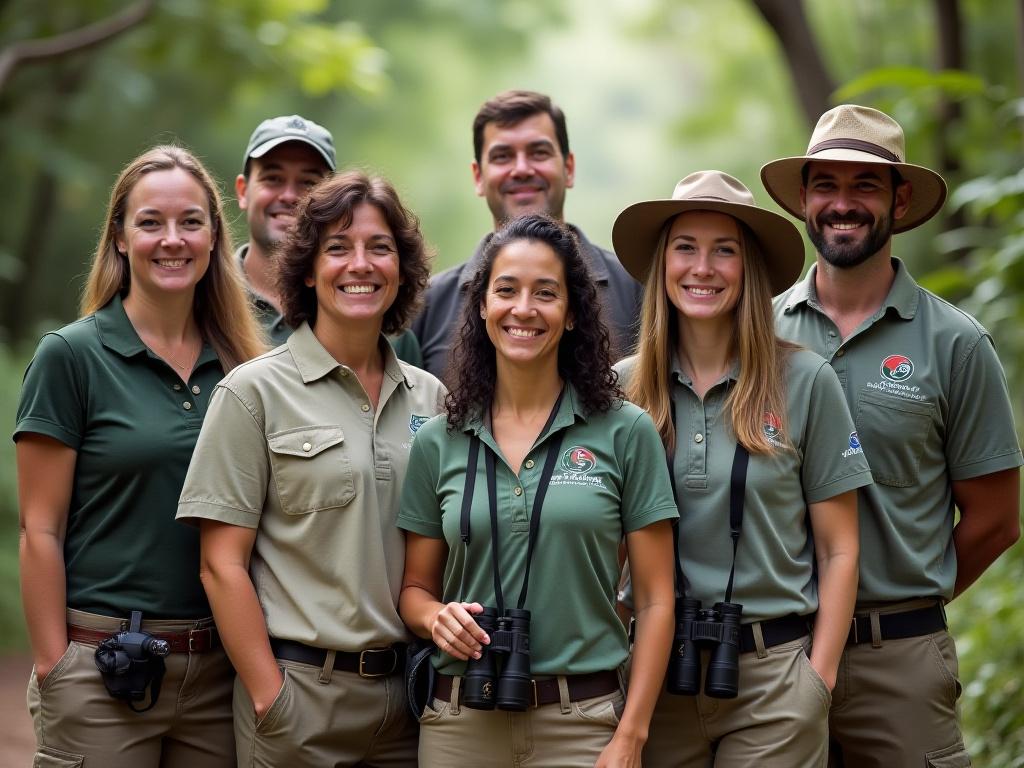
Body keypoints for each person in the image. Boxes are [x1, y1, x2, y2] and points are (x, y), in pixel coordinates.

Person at [763, 104, 1023, 767]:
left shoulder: (955, 343)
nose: (842, 204)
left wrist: (910, 595)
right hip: (773, 657)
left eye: (864, 187)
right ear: (803, 197)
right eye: (826, 185)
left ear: (900, 200)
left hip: (900, 659)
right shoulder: (757, 337)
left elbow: (995, 518)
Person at [177, 170, 446, 768]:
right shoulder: (253, 393)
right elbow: (221, 564)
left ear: (401, 269)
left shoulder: (433, 400)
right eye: (338, 247)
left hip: (410, 705)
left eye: (380, 247)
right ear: (306, 268)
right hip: (300, 701)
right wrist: (272, 697)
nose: (361, 264)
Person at [16, 145, 265, 767]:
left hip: (218, 677)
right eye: (150, 222)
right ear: (121, 239)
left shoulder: (248, 368)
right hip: (102, 669)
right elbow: (38, 528)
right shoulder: (71, 358)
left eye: (191, 222)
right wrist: (55, 668)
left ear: (214, 236)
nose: (172, 239)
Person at [613, 171, 873, 767]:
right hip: (655, 676)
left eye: (724, 250)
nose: (702, 267)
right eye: (686, 248)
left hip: (772, 678)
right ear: (662, 265)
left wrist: (819, 679)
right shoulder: (622, 389)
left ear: (748, 269)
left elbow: (840, 549)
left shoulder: (806, 382)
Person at [398, 214, 678, 767]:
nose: (523, 309)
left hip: (584, 723)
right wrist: (435, 619)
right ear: (481, 306)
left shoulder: (627, 431)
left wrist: (631, 735)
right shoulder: (438, 441)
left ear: (573, 313)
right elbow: (413, 588)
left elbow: (655, 599)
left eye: (545, 293)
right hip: (460, 722)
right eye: (506, 290)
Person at [411, 90, 642, 378]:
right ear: (478, 176)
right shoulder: (428, 305)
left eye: (539, 153)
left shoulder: (636, 291)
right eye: (502, 156)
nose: (521, 169)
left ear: (568, 168)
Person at [237, 113, 423, 364]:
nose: (290, 195)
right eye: (273, 179)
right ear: (242, 190)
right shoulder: (205, 297)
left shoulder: (384, 324)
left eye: (308, 182)